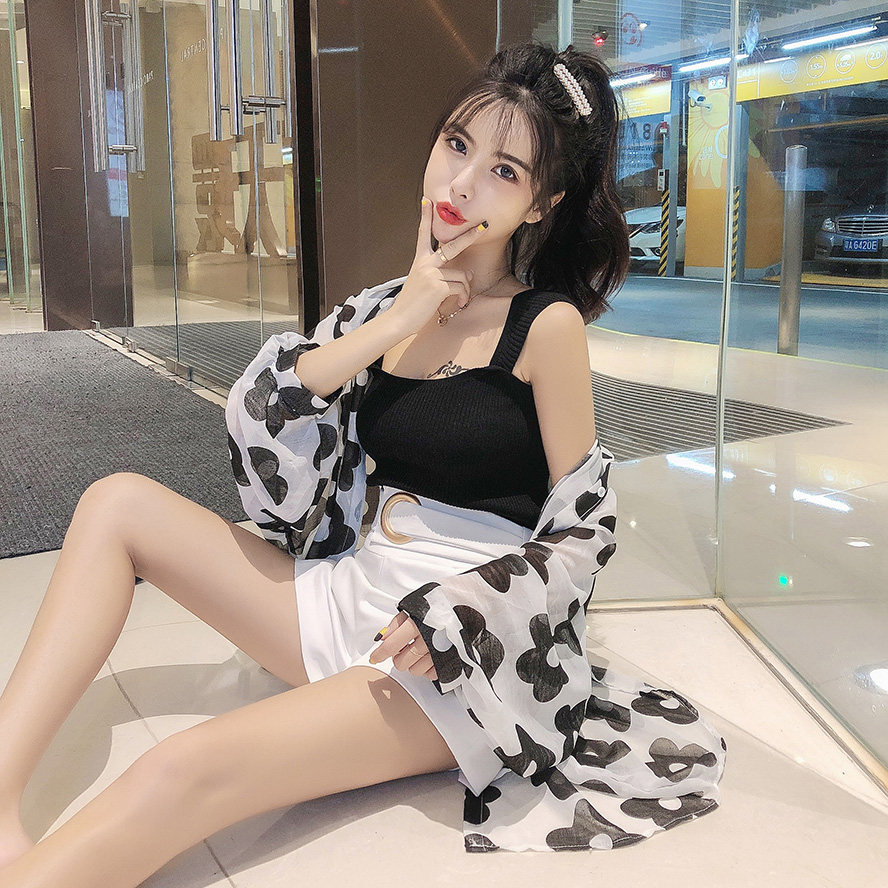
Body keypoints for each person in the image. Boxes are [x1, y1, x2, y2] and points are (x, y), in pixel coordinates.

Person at [0, 40, 724, 883]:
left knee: (181, 769)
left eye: (504, 171)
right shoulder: (383, 307)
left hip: (456, 648)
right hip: (351, 589)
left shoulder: (546, 326)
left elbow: (582, 532)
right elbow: (259, 417)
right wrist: (400, 317)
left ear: (542, 204)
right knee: (116, 502)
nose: (461, 183)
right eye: (457, 145)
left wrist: (462, 613)